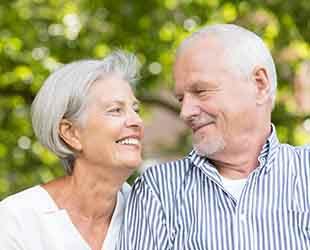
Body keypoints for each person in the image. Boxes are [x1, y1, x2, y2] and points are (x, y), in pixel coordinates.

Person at [118, 24, 310, 250]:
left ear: (259, 84)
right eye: (181, 99)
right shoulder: (157, 190)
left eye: (201, 91)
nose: (185, 112)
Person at [0, 50, 144, 250]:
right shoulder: (19, 219)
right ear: (71, 133)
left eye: (135, 110)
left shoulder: (150, 211)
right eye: (116, 110)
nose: (137, 121)